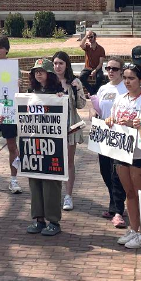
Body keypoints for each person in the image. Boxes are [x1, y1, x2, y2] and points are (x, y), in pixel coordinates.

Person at [107, 64, 141, 249]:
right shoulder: (120, 99)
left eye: (132, 78)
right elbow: (112, 119)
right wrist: (110, 121)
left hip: (139, 154)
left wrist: (139, 124)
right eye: (125, 78)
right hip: (121, 151)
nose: (127, 82)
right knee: (129, 193)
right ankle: (135, 229)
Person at [26, 58, 65, 236]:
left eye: (42, 70)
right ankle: (38, 219)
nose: (38, 73)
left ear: (49, 73)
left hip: (52, 143)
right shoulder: (29, 93)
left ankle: (53, 221)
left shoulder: (58, 93)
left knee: (51, 182)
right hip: (33, 144)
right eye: (36, 71)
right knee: (34, 181)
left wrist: (61, 100)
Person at [95, 57, 128, 227]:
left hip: (120, 135)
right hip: (103, 135)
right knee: (105, 171)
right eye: (108, 68)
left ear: (122, 71)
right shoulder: (103, 88)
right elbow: (99, 110)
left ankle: (118, 210)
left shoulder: (125, 88)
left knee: (117, 172)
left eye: (114, 68)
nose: (110, 71)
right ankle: (113, 203)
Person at [52, 51, 86, 211]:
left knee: (68, 162)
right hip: (52, 128)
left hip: (70, 125)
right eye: (55, 63)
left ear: (67, 65)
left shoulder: (74, 82)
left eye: (61, 63)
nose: (58, 66)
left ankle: (68, 195)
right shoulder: (50, 82)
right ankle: (54, 194)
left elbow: (81, 105)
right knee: (54, 161)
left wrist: (78, 90)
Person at [0, 37, 22, 194]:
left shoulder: (13, 67)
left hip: (9, 111)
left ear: (7, 49)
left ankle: (14, 180)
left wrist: (19, 85)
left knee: (12, 146)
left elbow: (18, 90)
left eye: (1, 47)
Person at [78, 30, 106, 95]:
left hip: (97, 68)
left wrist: (95, 70)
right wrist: (86, 35)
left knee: (100, 77)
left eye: (91, 37)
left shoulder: (101, 49)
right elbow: (81, 45)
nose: (90, 39)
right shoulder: (87, 47)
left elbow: (101, 63)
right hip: (88, 68)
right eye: (88, 37)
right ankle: (92, 91)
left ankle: (94, 90)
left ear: (95, 37)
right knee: (82, 76)